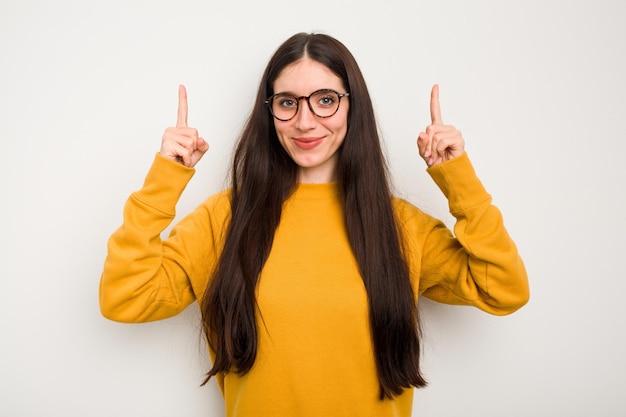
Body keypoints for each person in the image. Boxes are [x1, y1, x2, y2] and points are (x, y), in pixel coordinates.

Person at [99, 32, 529, 417]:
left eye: (325, 100)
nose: (305, 121)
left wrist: (457, 177)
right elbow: (125, 298)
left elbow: (504, 289)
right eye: (288, 102)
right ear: (269, 113)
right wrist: (165, 178)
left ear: (351, 107)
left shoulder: (399, 225)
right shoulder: (224, 219)